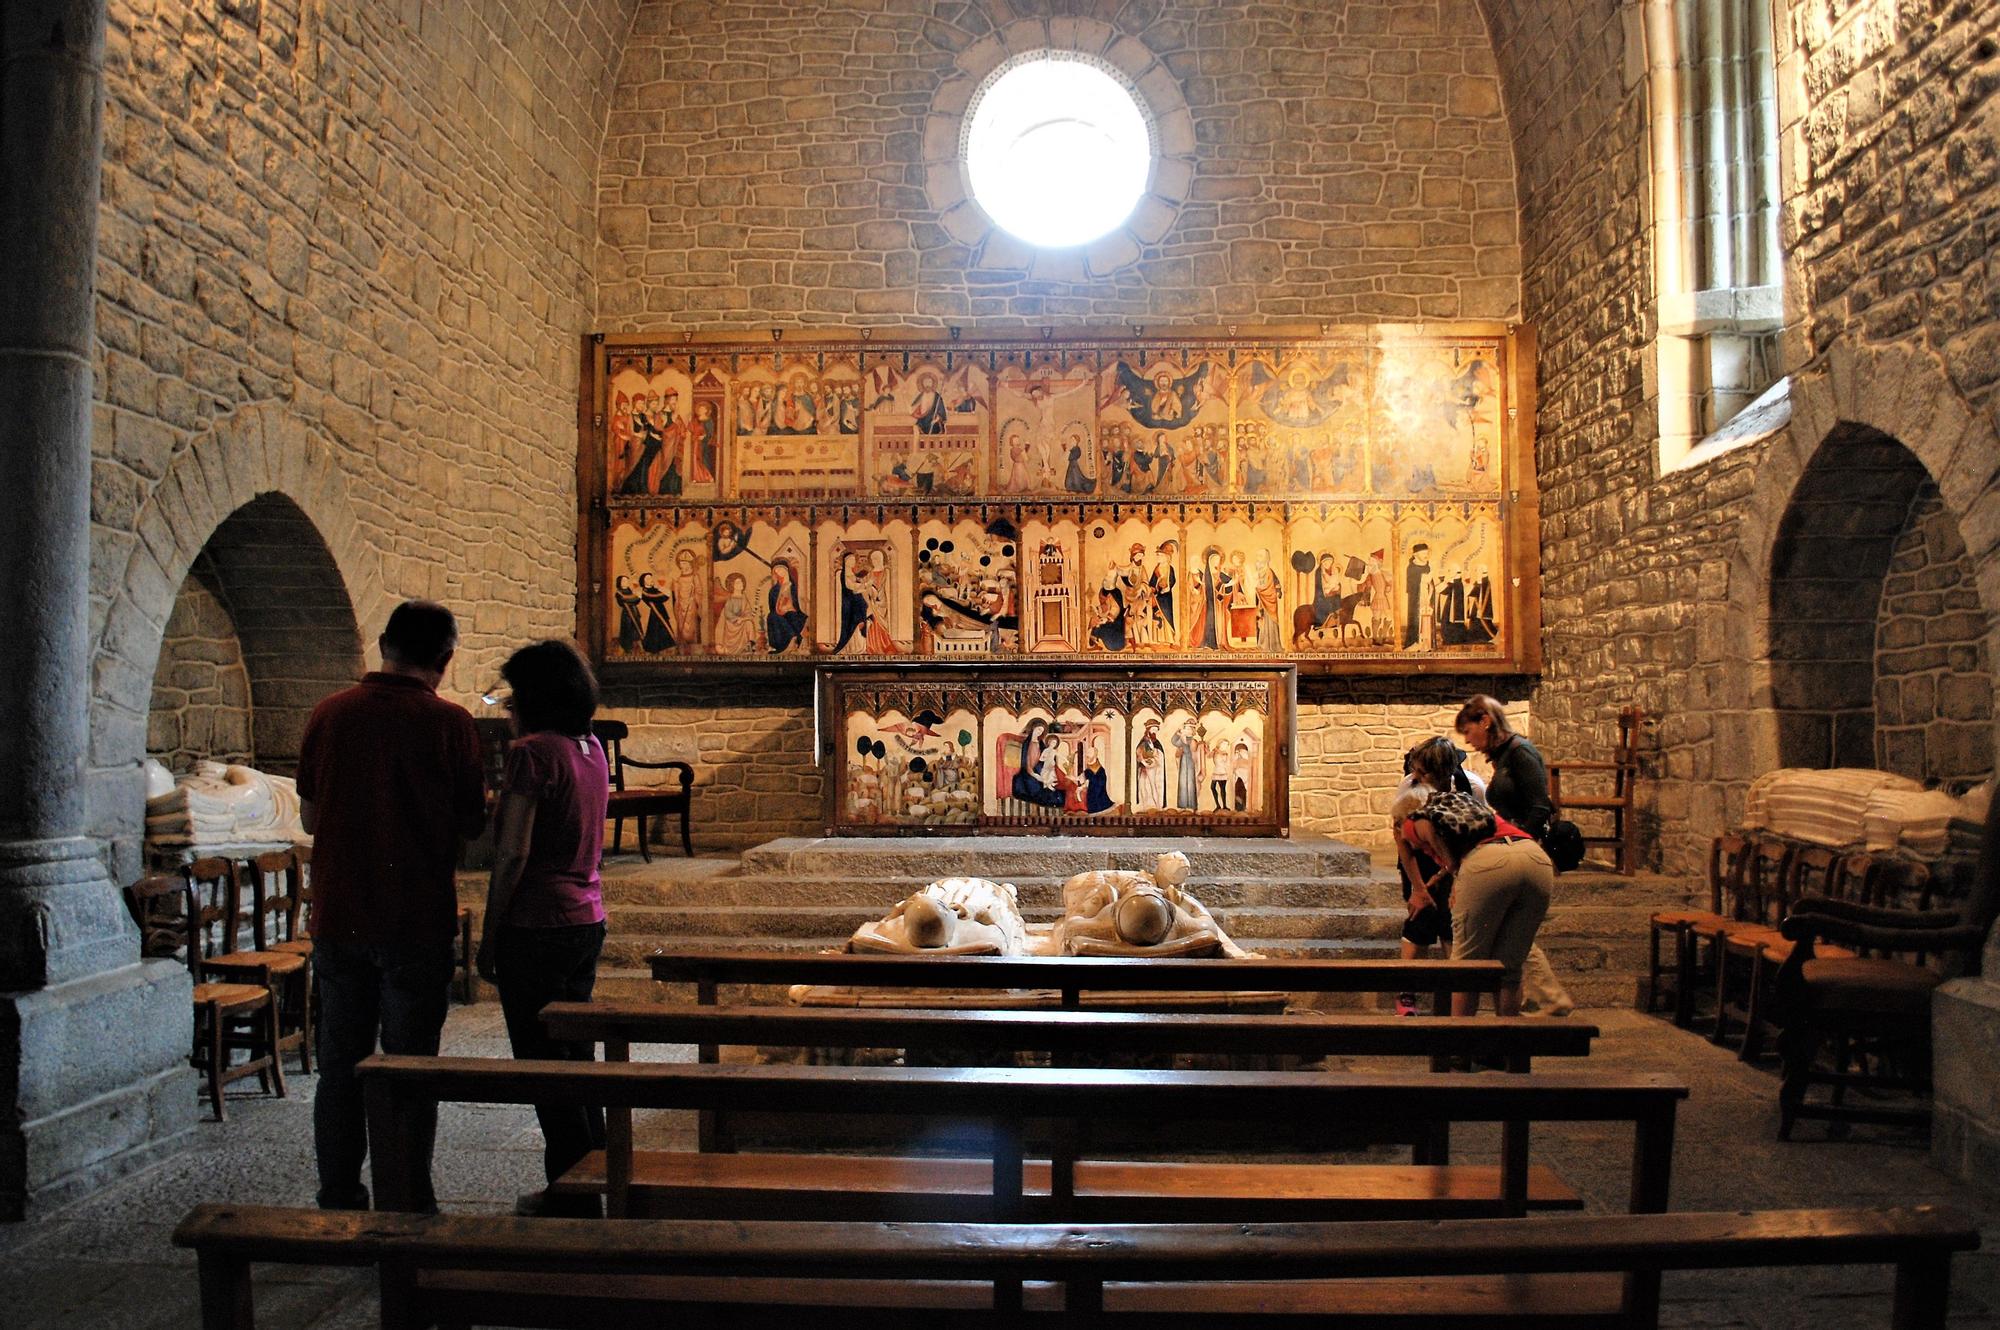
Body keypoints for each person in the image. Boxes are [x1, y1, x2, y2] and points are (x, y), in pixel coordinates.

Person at [298, 600, 486, 1212]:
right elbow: (470, 822)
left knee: (340, 1069)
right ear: (445, 657)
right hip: (415, 918)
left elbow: (308, 814)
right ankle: (406, 1202)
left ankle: (339, 1198)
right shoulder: (451, 724)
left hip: (339, 914)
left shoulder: (329, 714)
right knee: (408, 1071)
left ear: (383, 644)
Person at [475, 640, 611, 1217]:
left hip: (535, 923)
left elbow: (511, 853)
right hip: (586, 916)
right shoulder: (591, 746)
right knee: (576, 1056)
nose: (508, 707)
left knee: (542, 1064)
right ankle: (591, 1178)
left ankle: (570, 1197)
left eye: (512, 694)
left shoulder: (533, 753)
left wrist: (488, 932)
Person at [1403, 790, 1552, 1017]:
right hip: (1534, 857)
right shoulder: (1469, 811)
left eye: (1420, 847)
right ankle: (1506, 1046)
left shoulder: (1413, 821)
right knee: (1509, 968)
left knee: (1465, 969)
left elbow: (1429, 841)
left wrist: (1448, 878)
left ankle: (1463, 1046)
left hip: (1488, 861)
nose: (1423, 851)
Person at [1388, 738, 1486, 1015]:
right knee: (1420, 919)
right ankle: (1407, 993)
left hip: (1458, 859)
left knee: (1453, 923)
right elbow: (1402, 840)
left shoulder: (1472, 786)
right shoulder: (1409, 786)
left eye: (1424, 772)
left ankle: (1450, 993)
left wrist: (1450, 872)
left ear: (1445, 771)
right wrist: (1419, 888)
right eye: (1415, 769)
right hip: (1418, 859)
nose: (1416, 776)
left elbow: (1476, 834)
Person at [1455, 694, 1553, 838]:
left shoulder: (1520, 751)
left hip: (1526, 843)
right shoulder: (1504, 754)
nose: (1467, 740)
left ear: (1485, 721)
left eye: (1467, 731)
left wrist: (1520, 841)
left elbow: (1540, 808)